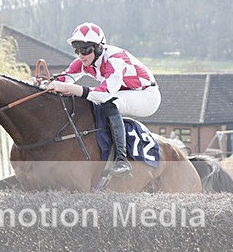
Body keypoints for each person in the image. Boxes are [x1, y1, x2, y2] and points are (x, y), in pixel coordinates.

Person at [41, 22, 161, 176]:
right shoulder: (83, 61)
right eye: (77, 50)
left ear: (99, 48)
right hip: (126, 92)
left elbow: (104, 94)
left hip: (146, 96)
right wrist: (44, 84)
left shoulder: (115, 59)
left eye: (85, 50)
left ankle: (121, 160)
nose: (80, 55)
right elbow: (65, 80)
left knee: (108, 104)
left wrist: (68, 88)